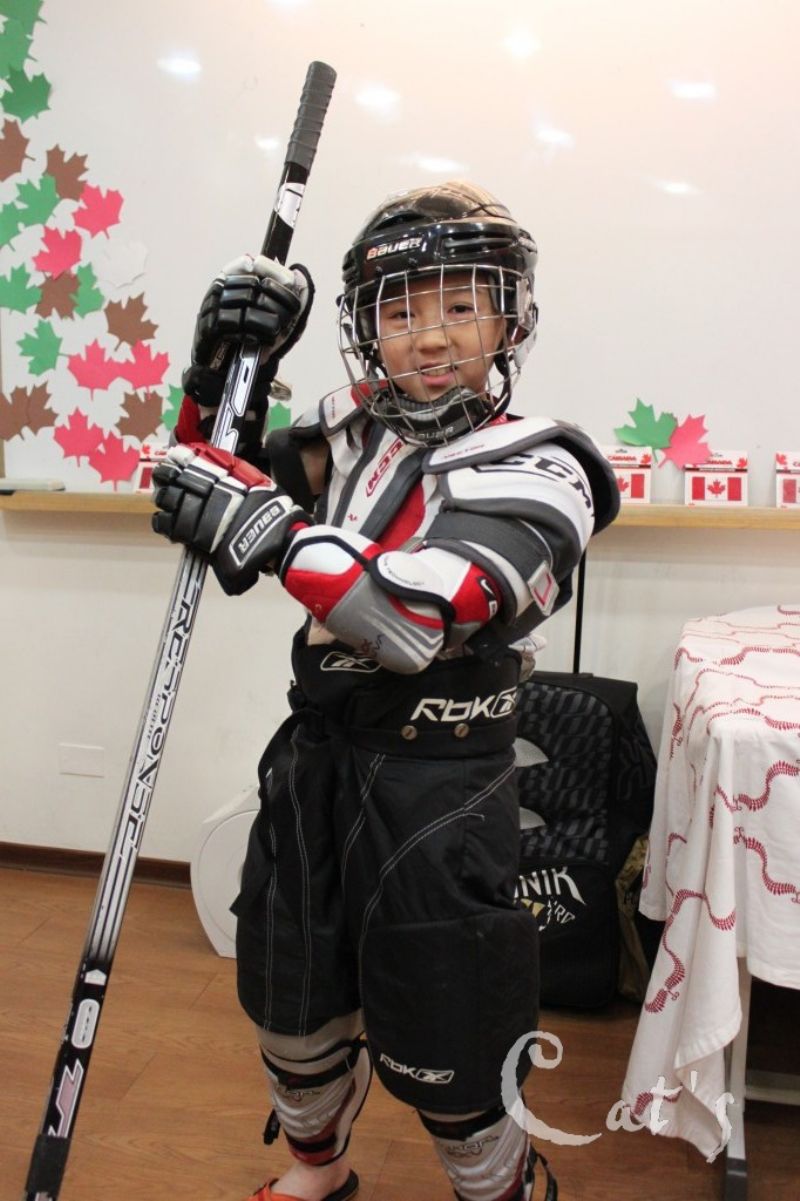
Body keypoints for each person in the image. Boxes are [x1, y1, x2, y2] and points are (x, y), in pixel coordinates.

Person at [152, 181, 619, 1201]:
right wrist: (223, 365)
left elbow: (415, 621)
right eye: (400, 310)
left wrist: (269, 528)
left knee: (453, 1044)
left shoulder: (549, 465)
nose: (431, 334)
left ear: (508, 314)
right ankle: (316, 1169)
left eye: (460, 303)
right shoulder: (344, 433)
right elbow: (202, 490)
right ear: (366, 328)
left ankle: (500, 1188)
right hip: (314, 762)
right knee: (292, 1006)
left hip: (438, 792)